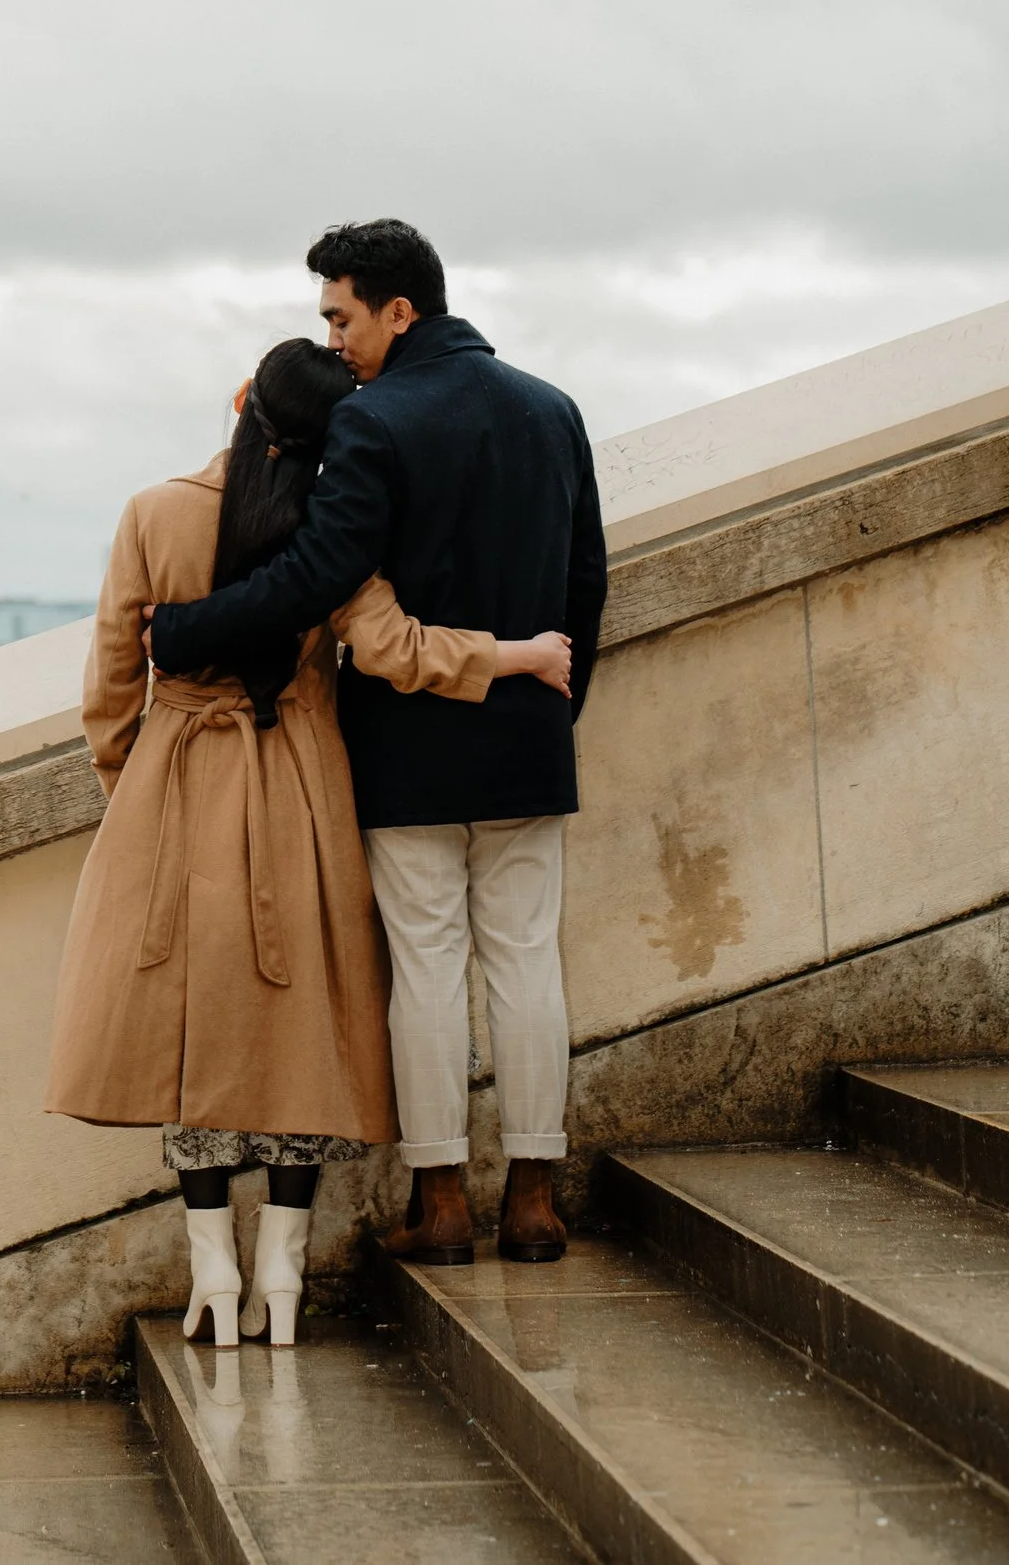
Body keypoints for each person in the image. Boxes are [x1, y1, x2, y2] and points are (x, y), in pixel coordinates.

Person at [44, 337, 572, 1346]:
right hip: (297, 790)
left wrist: (135, 788)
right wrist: (517, 654)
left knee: (186, 1035)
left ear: (241, 399)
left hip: (180, 782)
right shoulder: (329, 530)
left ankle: (212, 1274)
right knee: (299, 1035)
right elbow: (395, 650)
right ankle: (281, 1273)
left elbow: (111, 687)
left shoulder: (151, 512)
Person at [147, 218, 607, 1268]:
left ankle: (441, 1203)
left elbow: (314, 579)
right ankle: (532, 1200)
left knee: (427, 971)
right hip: (526, 734)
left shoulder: (373, 422)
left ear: (399, 310)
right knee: (529, 967)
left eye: (340, 315)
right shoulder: (553, 410)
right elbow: (586, 584)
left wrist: (182, 630)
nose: (334, 338)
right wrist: (547, 713)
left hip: (405, 747)